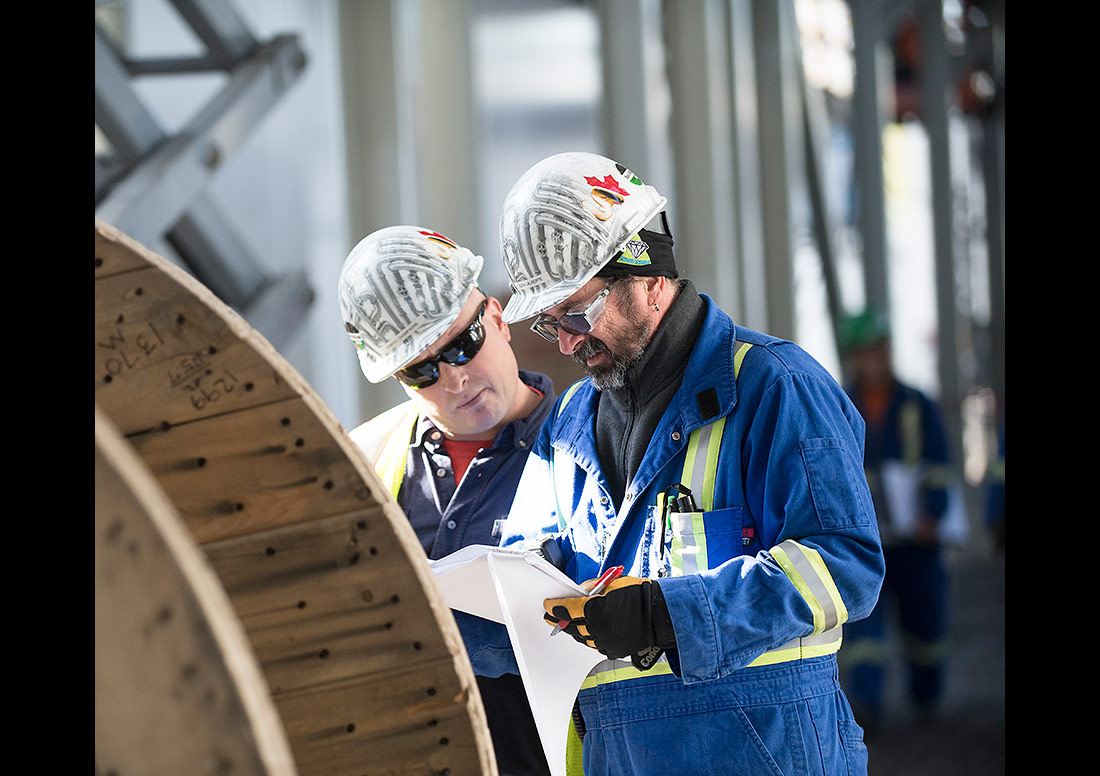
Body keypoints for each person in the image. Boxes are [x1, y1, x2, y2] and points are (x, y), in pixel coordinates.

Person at [477, 151, 884, 776]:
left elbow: (846, 564)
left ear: (649, 276)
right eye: (549, 324)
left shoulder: (775, 387)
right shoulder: (569, 422)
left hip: (762, 757)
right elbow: (525, 574)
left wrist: (666, 614)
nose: (567, 341)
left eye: (578, 313)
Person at [337, 225, 555, 776]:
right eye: (422, 370)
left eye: (462, 345)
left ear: (498, 319)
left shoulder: (589, 444)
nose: (455, 380)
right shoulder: (361, 460)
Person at [837, 308, 953, 730]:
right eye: (868, 349)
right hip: (863, 542)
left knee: (925, 622)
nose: (877, 357)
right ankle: (867, 705)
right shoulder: (837, 405)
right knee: (864, 631)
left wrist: (932, 513)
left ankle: (927, 700)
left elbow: (939, 465)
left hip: (916, 541)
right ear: (854, 356)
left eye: (881, 347)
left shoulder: (916, 404)